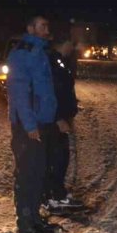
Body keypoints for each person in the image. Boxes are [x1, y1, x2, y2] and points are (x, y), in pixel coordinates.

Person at [7, 15, 59, 233]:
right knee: (28, 173)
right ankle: (25, 219)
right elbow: (19, 93)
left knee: (38, 172)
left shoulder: (41, 51)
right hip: (29, 125)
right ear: (30, 28)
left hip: (43, 121)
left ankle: (35, 216)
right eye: (42, 25)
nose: (47, 28)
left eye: (47, 24)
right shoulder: (23, 53)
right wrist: (29, 125)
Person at [43, 38, 82, 213]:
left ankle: (55, 194)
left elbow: (64, 90)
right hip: (54, 121)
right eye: (70, 44)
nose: (72, 48)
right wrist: (58, 117)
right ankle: (54, 196)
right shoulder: (52, 62)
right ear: (63, 43)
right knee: (57, 159)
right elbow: (51, 94)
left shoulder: (59, 61)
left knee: (60, 158)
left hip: (58, 118)